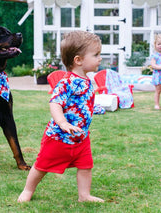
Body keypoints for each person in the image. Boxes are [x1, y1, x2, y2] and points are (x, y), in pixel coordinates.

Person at [17, 31, 104, 203]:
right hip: (59, 137)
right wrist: (62, 122)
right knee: (42, 165)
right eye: (96, 55)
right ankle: (27, 190)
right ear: (78, 60)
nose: (100, 58)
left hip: (80, 137)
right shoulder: (67, 81)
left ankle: (84, 196)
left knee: (86, 166)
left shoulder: (86, 80)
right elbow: (55, 102)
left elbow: (83, 102)